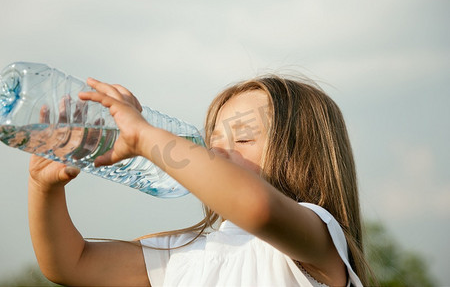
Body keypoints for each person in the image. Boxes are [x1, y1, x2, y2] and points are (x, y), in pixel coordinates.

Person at [28, 75, 370, 286]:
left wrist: (145, 137)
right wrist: (45, 187)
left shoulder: (317, 237)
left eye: (244, 139)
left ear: (301, 154)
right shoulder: (188, 253)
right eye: (213, 141)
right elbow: (71, 264)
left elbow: (258, 208)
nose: (216, 152)